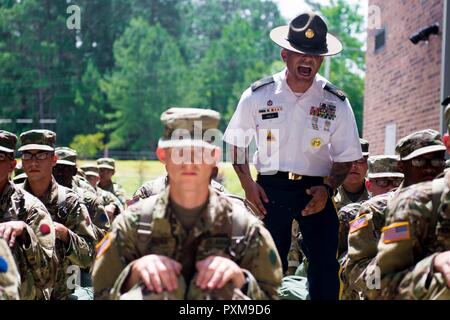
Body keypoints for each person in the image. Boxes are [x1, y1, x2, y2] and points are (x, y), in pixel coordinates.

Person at [223, 12, 362, 300]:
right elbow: (236, 142)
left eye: (315, 55)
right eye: (300, 54)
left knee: (325, 265)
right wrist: (248, 184)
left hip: (317, 190)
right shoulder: (258, 95)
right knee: (264, 265)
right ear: (285, 55)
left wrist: (328, 188)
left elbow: (347, 155)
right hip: (269, 189)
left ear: (322, 60)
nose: (307, 61)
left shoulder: (335, 102)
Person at [92, 107, 283, 300]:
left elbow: (271, 296)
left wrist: (241, 280)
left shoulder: (244, 228)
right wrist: (133, 275)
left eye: (200, 152)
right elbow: (100, 293)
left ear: (214, 157)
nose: (189, 161)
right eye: (179, 152)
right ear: (162, 155)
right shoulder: (132, 225)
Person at [361, 129, 448, 300]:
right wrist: (431, 269)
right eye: (419, 161)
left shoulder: (444, 200)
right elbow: (360, 270)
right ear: (402, 166)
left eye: (437, 160)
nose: (429, 168)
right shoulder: (378, 209)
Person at [19, 129, 97, 300]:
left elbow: (90, 257)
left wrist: (66, 235)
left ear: (54, 160)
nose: (33, 162)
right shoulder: (11, 201)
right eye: (27, 155)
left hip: (60, 295)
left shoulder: (69, 202)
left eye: (41, 155)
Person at [0, 130, 55, 299]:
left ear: (12, 165)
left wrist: (25, 233)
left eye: (0, 157)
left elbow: (48, 274)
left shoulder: (31, 208)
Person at [340, 155, 404, 299]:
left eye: (398, 181)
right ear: (369, 185)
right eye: (382, 182)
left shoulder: (411, 210)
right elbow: (349, 265)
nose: (391, 187)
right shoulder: (353, 214)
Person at [334, 138, 370, 210]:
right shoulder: (327, 194)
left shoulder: (377, 192)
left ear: (367, 164)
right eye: (348, 159)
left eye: (360, 159)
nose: (353, 165)